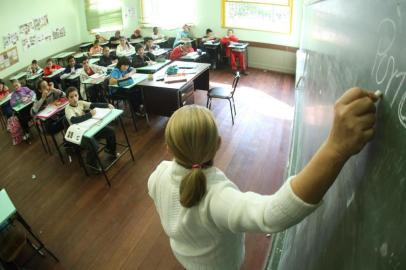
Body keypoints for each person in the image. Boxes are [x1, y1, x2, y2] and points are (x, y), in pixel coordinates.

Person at [148, 88, 379, 269]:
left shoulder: (157, 175)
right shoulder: (217, 198)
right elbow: (272, 214)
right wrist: (335, 149)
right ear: (217, 144)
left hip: (184, 256)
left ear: (169, 148)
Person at [65, 86, 117, 169]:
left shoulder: (81, 103)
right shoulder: (68, 109)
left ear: (78, 95)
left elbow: (93, 105)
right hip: (79, 133)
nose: (74, 99)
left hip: (88, 127)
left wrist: (107, 105)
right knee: (94, 145)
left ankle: (110, 150)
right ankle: (91, 163)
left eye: (76, 95)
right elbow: (74, 120)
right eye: (71, 97)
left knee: (111, 131)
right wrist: (89, 115)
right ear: (67, 98)